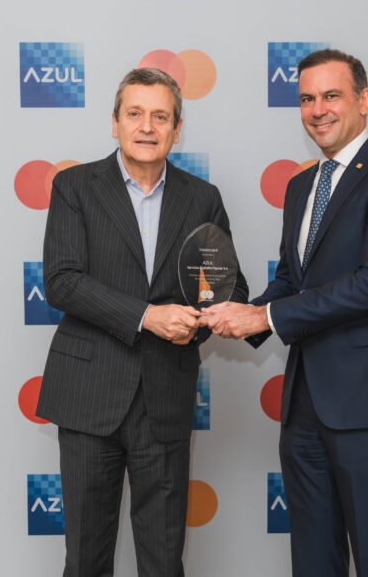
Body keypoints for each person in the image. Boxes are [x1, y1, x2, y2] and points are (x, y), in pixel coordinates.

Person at [201, 49, 368, 576]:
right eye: (307, 99)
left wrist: (266, 319)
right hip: (305, 403)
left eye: (331, 95)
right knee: (311, 558)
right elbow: (292, 280)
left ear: (364, 100)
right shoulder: (301, 186)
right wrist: (238, 313)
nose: (318, 110)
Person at [36, 67, 248, 577]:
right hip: (88, 396)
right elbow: (62, 281)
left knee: (163, 561)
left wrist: (197, 321)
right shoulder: (74, 186)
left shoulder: (203, 197)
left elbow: (229, 289)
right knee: (85, 560)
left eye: (160, 116)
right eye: (134, 114)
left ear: (177, 129)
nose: (147, 127)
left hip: (165, 397)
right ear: (115, 123)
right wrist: (149, 316)